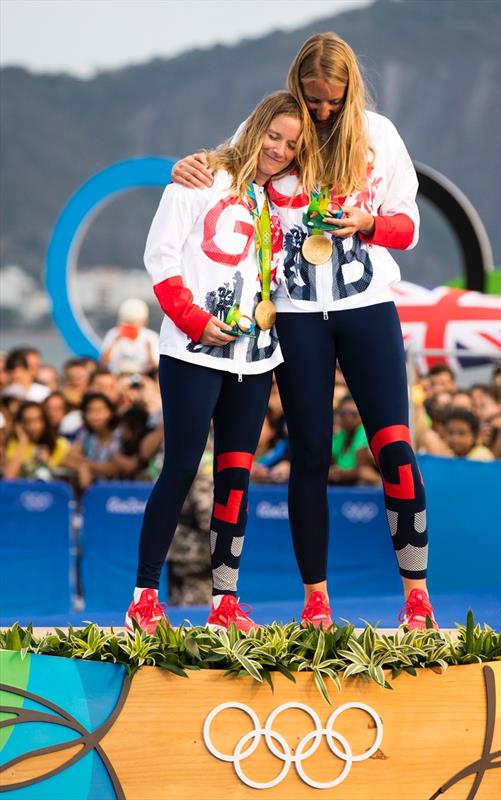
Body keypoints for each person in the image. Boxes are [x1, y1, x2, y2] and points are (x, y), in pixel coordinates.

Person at [172, 33, 437, 630]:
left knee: (393, 446)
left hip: (366, 304)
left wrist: (368, 221)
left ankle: (417, 597)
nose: (320, 112)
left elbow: (409, 226)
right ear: (297, 87)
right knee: (310, 454)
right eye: (312, 99)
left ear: (351, 93)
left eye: (332, 102)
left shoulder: (378, 133)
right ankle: (316, 601)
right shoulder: (271, 127)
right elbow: (224, 177)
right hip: (292, 314)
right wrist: (184, 166)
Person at [125, 91, 311, 634]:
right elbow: (159, 256)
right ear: (253, 128)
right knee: (181, 467)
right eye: (273, 135)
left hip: (253, 358)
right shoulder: (200, 176)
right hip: (192, 348)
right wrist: (190, 317)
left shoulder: (275, 196)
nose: (279, 149)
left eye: (291, 144)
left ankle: (225, 602)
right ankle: (143, 598)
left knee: (235, 477)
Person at [4, 401, 70, 480]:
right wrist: (23, 443)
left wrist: (44, 463)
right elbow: (8, 477)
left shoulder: (60, 444)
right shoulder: (15, 445)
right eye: (28, 421)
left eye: (37, 420)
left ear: (45, 421)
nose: (33, 426)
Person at [329, 395, 380, 486]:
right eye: (343, 414)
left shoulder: (364, 432)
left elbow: (363, 471)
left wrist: (338, 473)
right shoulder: (340, 436)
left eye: (353, 414)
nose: (348, 418)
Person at [100, 298, 160, 375]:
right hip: (116, 376)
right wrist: (113, 343)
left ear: (144, 322)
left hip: (143, 376)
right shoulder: (113, 334)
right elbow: (103, 363)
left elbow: (155, 366)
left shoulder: (151, 336)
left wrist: (149, 350)